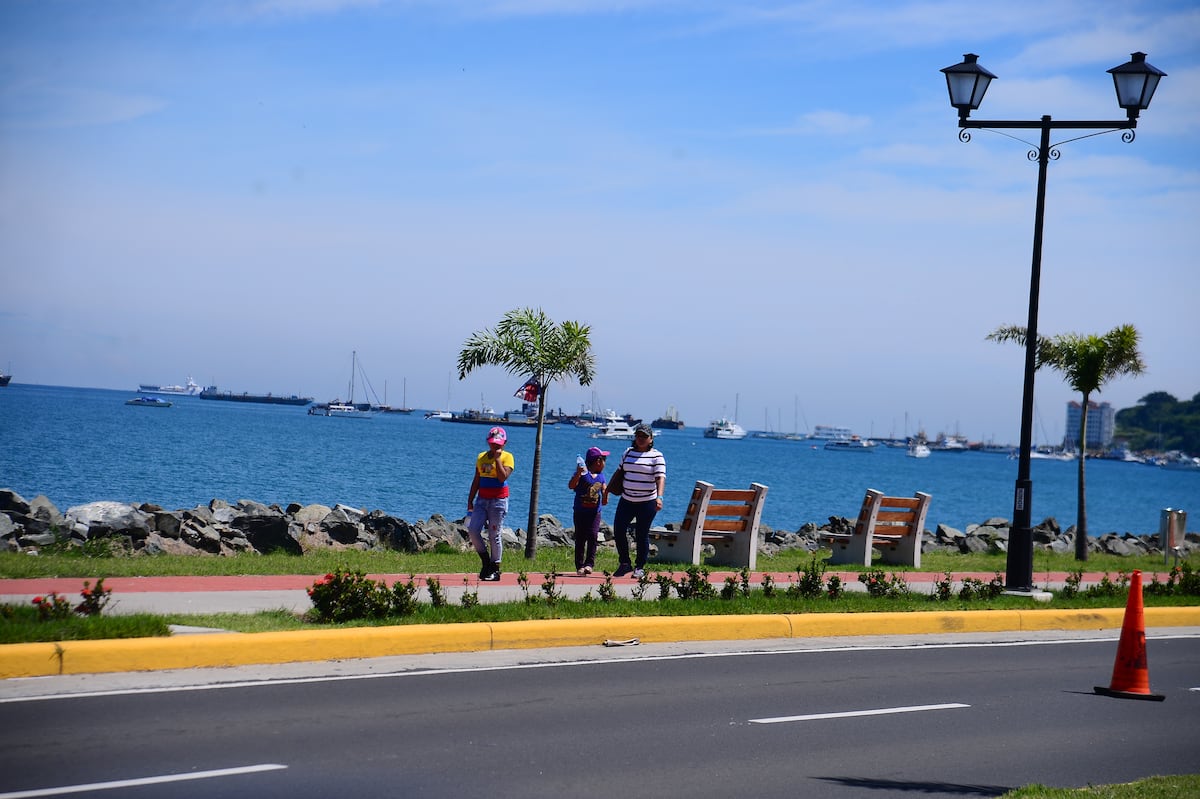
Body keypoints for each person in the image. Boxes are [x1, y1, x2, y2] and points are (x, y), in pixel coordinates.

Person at [604, 422, 665, 579]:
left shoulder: (657, 456)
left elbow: (660, 478)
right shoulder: (628, 453)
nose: (641, 439)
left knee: (641, 534)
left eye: (644, 436)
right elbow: (619, 472)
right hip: (627, 500)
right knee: (618, 529)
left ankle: (639, 566)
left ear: (651, 439)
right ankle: (624, 563)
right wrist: (607, 490)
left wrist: (659, 497)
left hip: (647, 502)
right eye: (638, 436)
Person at [466, 426, 514, 581]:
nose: (496, 446)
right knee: (473, 530)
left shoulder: (508, 457)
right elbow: (477, 480)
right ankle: (486, 562)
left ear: (504, 443)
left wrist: (497, 459)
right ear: (488, 442)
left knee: (494, 534)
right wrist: (470, 500)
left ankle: (495, 568)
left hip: (498, 501)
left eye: (499, 444)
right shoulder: (481, 457)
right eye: (493, 443)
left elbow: (502, 477)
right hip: (482, 500)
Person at [568, 445, 609, 576]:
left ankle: (589, 564)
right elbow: (571, 485)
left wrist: (605, 496)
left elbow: (604, 488)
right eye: (604, 460)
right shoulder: (582, 474)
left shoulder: (601, 476)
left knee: (593, 536)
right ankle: (579, 565)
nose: (605, 463)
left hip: (594, 513)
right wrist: (578, 474)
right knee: (580, 537)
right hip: (580, 511)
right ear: (598, 461)